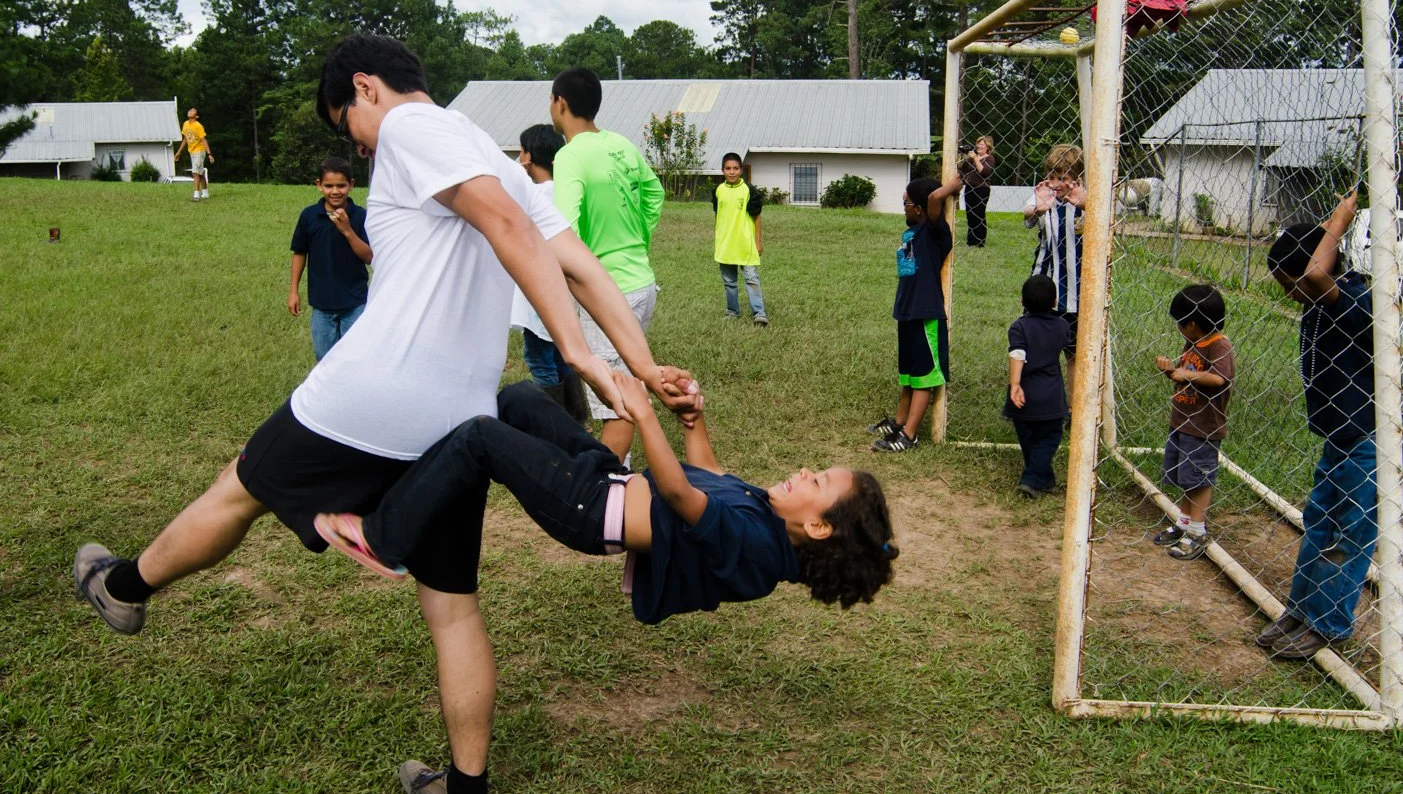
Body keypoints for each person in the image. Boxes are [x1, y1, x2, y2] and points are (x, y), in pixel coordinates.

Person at [72, 33, 700, 794]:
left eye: (348, 124)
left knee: (242, 487)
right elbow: (575, 259)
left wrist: (580, 352)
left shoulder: (410, 130)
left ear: (366, 87)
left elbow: (512, 228)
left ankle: (122, 592)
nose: (356, 146)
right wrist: (641, 365)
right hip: (456, 419)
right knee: (450, 605)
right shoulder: (488, 147)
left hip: (369, 397)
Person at [314, 373, 898, 629]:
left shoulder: (758, 551)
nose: (804, 472)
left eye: (817, 482)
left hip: (588, 508)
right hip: (605, 476)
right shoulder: (766, 514)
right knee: (518, 400)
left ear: (819, 529)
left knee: (481, 437)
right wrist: (696, 420)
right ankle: (425, 465)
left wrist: (643, 414)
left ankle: (385, 539)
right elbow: (706, 472)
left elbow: (679, 491)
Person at [1256, 192, 1377, 661]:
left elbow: (1313, 273)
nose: (1287, 289)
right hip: (1338, 437)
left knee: (1351, 532)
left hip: (1368, 439)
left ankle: (1329, 622)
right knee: (1318, 524)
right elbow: (1310, 275)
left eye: (1287, 280)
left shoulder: (1352, 297)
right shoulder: (1317, 301)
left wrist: (1339, 219)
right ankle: (1301, 610)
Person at [551, 66, 667, 461]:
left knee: (615, 404)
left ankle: (602, 496)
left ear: (560, 103)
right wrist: (637, 239)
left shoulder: (569, 156)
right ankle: (622, 480)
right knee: (626, 384)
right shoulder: (620, 143)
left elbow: (561, 228)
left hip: (605, 293)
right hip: (642, 282)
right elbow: (654, 193)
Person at [865, 175, 960, 453]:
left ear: (918, 208)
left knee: (924, 376)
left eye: (906, 202)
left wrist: (958, 181)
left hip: (926, 312)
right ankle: (899, 421)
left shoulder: (934, 232)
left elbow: (934, 198)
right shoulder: (913, 232)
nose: (903, 207)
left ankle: (910, 434)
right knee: (908, 375)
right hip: (906, 312)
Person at [510, 123, 589, 423]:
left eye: (521, 151)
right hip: (564, 291)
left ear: (528, 157)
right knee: (562, 356)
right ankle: (577, 419)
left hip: (536, 294)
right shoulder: (564, 192)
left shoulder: (530, 196)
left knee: (539, 360)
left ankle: (554, 423)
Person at [1150, 284, 1234, 562]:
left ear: (1193, 324)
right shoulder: (1195, 343)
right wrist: (1171, 372)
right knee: (1186, 478)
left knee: (1199, 479)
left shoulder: (1219, 345)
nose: (1178, 329)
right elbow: (1184, 375)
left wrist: (1182, 374)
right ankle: (1184, 524)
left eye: (1180, 324)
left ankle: (1197, 531)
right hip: (1183, 423)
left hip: (1203, 426)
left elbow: (1218, 379)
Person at [288, 155, 372, 361]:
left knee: (354, 359)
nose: (335, 191)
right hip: (322, 304)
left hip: (355, 302)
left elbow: (369, 256)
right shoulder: (309, 216)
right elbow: (300, 252)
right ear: (319, 185)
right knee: (324, 360)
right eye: (329, 185)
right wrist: (293, 291)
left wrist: (347, 230)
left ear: (351, 185)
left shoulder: (361, 216)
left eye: (341, 185)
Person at [1022, 144, 1086, 376]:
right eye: (1052, 176)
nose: (1056, 183)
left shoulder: (1087, 200)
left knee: (1075, 353)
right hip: (1044, 286)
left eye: (1063, 177)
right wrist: (1039, 209)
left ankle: (1073, 408)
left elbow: (1110, 217)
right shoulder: (1044, 195)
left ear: (1077, 178)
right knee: (1037, 347)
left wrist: (1085, 203)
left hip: (1078, 291)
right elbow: (1028, 213)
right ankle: (1038, 397)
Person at [1004, 275, 1070, 498]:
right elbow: (1065, 343)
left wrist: (1015, 384)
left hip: (1023, 396)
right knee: (1049, 439)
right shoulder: (1062, 326)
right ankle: (1032, 480)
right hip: (1050, 397)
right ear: (1055, 302)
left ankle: (1044, 479)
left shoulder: (1018, 327)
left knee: (1029, 440)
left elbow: (1017, 353)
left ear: (1022, 301)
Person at [713, 152, 768, 326]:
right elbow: (718, 215)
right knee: (729, 282)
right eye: (728, 168)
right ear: (722, 170)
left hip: (745, 244)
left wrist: (758, 241)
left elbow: (757, 216)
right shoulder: (718, 191)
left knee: (752, 279)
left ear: (741, 170)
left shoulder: (749, 190)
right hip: (725, 245)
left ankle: (759, 313)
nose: (732, 172)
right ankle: (732, 312)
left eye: (735, 168)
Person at [959, 136, 996, 248]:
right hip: (970, 188)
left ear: (988, 147)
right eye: (978, 143)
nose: (979, 146)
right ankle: (970, 241)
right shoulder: (971, 159)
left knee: (979, 213)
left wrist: (975, 158)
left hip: (982, 189)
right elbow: (962, 169)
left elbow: (984, 172)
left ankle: (980, 241)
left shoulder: (990, 158)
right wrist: (963, 155)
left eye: (982, 144)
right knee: (970, 214)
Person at [174, 106, 214, 202]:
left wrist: (210, 154)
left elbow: (204, 140)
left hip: (200, 151)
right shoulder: (185, 124)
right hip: (192, 151)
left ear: (197, 116)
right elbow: (185, 139)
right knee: (200, 173)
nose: (190, 111)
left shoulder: (198, 126)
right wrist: (179, 152)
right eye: (190, 110)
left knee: (195, 172)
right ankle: (205, 193)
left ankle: (196, 195)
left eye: (193, 111)